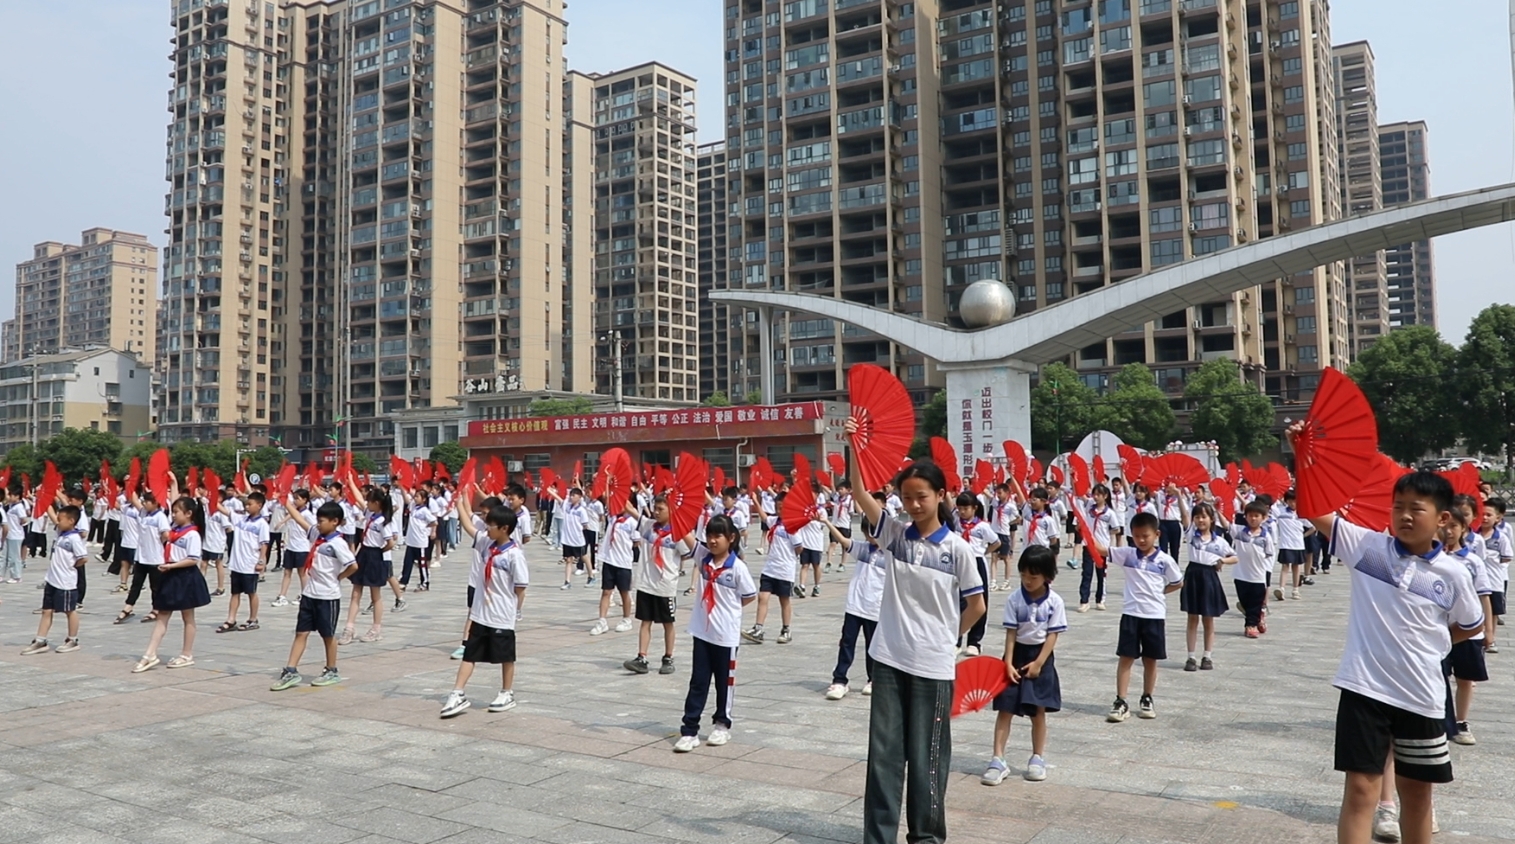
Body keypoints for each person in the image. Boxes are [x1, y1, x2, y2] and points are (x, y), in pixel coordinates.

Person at [1286, 455, 1482, 844]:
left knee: (1417, 795)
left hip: (1422, 695)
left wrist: (1435, 643)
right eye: (1398, 507)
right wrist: (1304, 455)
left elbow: (1471, 624)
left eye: (1416, 509)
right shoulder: (1367, 548)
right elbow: (1312, 509)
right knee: (1361, 790)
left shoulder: (1454, 573)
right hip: (1365, 688)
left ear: (1442, 518)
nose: (1404, 516)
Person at [843, 433, 985, 844]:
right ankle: (879, 837)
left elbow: (976, 606)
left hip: (933, 665)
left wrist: (948, 638)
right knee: (884, 754)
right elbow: (859, 494)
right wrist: (854, 445)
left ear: (940, 495)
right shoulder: (894, 534)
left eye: (922, 496)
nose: (914, 504)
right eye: (907, 497)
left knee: (928, 756)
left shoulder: (958, 550)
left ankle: (926, 836)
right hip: (888, 657)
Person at [981, 545, 1065, 785]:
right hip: (1016, 655)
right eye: (1023, 575)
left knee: (1037, 711)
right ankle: (998, 759)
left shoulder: (1055, 602)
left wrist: (1039, 663)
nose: (1028, 581)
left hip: (1041, 658)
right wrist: (1007, 663)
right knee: (1005, 708)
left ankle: (1037, 757)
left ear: (1047, 576)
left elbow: (1052, 635)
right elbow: (1011, 633)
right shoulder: (1015, 599)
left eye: (1033, 576)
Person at [674, 514, 757, 752]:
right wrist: (675, 509)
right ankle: (690, 730)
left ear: (731, 538)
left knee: (724, 683)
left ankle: (722, 724)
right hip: (702, 633)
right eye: (709, 535)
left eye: (718, 535)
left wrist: (729, 611)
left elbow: (749, 596)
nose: (712, 540)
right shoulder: (703, 558)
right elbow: (684, 532)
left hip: (726, 636)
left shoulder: (738, 568)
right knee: (698, 682)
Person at [440, 506, 529, 718]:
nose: (487, 528)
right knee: (470, 653)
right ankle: (457, 693)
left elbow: (520, 587)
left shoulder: (514, 555)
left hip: (502, 614)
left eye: (491, 525)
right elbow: (469, 527)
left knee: (506, 656)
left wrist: (515, 611)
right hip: (481, 613)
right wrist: (461, 502)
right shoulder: (486, 544)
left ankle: (506, 692)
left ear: (504, 528)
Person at [1105, 511, 1183, 723]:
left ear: (1156, 534)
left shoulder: (1165, 560)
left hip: (1154, 615)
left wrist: (1159, 592)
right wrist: (1084, 529)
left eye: (1145, 536)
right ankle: (1121, 700)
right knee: (1126, 657)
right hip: (1131, 613)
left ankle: (1147, 697)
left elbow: (1178, 582)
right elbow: (1102, 550)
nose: (1141, 540)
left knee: (1150, 659)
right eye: (1137, 536)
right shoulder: (1127, 554)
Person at [272, 500, 358, 690]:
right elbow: (299, 519)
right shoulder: (317, 535)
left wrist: (338, 577)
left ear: (335, 521)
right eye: (317, 521)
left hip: (328, 596)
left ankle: (331, 670)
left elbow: (353, 565)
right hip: (309, 593)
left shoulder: (338, 543)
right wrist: (285, 501)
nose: (318, 524)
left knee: (327, 635)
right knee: (301, 632)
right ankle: (291, 670)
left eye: (322, 521)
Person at [133, 496, 211, 672]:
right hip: (170, 575)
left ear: (188, 513)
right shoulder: (174, 531)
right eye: (173, 511)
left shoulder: (192, 534)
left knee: (188, 616)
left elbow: (193, 559)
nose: (173, 515)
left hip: (185, 576)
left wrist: (172, 566)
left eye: (176, 512)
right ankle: (150, 654)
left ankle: (186, 654)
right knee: (162, 614)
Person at [820, 495, 886, 700]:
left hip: (875, 608)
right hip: (855, 605)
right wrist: (826, 522)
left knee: (872, 646)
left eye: (872, 534)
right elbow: (843, 540)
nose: (869, 538)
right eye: (866, 534)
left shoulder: (892, 555)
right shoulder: (863, 548)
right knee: (847, 643)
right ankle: (840, 680)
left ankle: (874, 679)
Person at [1443, 499, 1492, 746]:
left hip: (1468, 631)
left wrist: (1488, 629)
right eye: (1445, 525)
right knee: (1438, 677)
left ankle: (1461, 721)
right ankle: (1439, 721)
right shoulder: (1430, 558)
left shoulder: (1473, 561)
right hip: (1439, 629)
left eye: (1454, 526)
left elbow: (1484, 595)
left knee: (1465, 679)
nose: (1448, 531)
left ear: (1464, 528)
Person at [624, 497, 685, 675]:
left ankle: (668, 657)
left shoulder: (677, 533)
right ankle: (642, 657)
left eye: (660, 509)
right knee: (645, 621)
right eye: (655, 508)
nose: (656, 512)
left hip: (665, 585)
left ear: (671, 510)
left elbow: (686, 553)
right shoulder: (648, 526)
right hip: (646, 583)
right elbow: (629, 508)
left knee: (668, 623)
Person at [19, 503, 87, 656]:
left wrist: (71, 566)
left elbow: (83, 558)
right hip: (52, 579)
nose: (57, 521)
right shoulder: (60, 533)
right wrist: (45, 500)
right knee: (46, 610)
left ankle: (72, 639)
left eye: (60, 519)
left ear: (71, 521)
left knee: (70, 610)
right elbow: (50, 511)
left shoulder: (74, 538)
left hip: (66, 581)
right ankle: (40, 640)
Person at [1180, 501, 1236, 671]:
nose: (1200, 520)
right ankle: (1191, 657)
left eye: (1204, 516)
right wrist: (1178, 495)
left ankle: (1207, 656)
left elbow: (1234, 557)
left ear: (1211, 519)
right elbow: (1184, 515)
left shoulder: (1219, 541)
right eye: (1197, 517)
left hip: (1209, 577)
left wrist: (1222, 560)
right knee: (1192, 618)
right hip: (1193, 575)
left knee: (1208, 619)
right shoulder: (1191, 535)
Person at [340, 487, 393, 644]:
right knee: (356, 592)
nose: (366, 503)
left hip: (375, 555)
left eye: (369, 501)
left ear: (376, 503)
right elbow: (358, 499)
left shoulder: (384, 522)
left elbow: (390, 542)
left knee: (375, 595)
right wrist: (350, 481)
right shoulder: (370, 515)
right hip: (363, 553)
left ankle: (376, 629)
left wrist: (379, 552)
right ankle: (349, 628)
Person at [743, 499, 800, 645]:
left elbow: (799, 547)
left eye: (781, 508)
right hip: (770, 568)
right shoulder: (774, 521)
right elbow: (764, 517)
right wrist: (756, 501)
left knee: (784, 600)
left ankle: (786, 629)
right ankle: (758, 628)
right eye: (777, 507)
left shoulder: (792, 526)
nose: (779, 510)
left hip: (785, 570)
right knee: (763, 597)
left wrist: (789, 557)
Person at [215, 491, 270, 633]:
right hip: (236, 564)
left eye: (250, 504)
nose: (247, 507)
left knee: (251, 592)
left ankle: (253, 619)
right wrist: (210, 497)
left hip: (250, 564)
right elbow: (223, 510)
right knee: (235, 593)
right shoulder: (240, 519)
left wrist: (261, 561)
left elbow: (264, 544)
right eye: (246, 504)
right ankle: (231, 619)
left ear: (259, 505)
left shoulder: (262, 524)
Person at [955, 492, 1000, 656]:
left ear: (974, 508)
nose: (962, 512)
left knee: (979, 600)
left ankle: (974, 642)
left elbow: (996, 542)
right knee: (958, 601)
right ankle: (956, 639)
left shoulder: (982, 526)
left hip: (976, 561)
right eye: (959, 508)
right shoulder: (956, 523)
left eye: (965, 508)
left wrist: (983, 552)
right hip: (959, 563)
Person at [590, 495, 637, 636]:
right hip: (609, 560)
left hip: (623, 563)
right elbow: (607, 497)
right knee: (606, 592)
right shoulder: (613, 518)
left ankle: (626, 619)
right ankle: (602, 621)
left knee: (624, 592)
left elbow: (636, 542)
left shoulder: (632, 522)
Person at [124, 491, 171, 625]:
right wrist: (133, 484)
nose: (144, 504)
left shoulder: (160, 516)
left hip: (155, 557)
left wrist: (158, 543)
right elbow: (134, 500)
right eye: (143, 501)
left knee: (155, 586)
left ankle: (156, 609)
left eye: (147, 501)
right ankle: (128, 606)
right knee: (136, 583)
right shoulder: (143, 513)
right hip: (141, 556)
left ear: (155, 503)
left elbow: (166, 535)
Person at [1231, 500, 1276, 638]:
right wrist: (1219, 510)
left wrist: (1267, 572)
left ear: (1264, 518)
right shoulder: (1239, 532)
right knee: (1244, 601)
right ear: (1245, 516)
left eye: (1257, 516)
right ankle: (1258, 617)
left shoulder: (1266, 536)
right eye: (1250, 515)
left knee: (1255, 601)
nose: (1253, 518)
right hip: (1240, 574)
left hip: (1258, 575)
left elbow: (1270, 554)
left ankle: (1250, 625)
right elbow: (1226, 524)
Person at [1073, 483, 1119, 613]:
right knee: (1086, 573)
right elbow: (1079, 493)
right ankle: (1084, 601)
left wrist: (1106, 535)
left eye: (1099, 495)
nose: (1096, 497)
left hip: (1102, 547)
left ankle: (1100, 600)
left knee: (1101, 574)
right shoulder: (1089, 506)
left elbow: (1116, 529)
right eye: (1094, 494)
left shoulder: (1109, 513)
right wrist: (1074, 478)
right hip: (1088, 545)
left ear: (1105, 496)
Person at [1477, 497, 1510, 651]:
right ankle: (1479, 636)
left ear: (1497, 518)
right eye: (1482, 514)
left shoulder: (1501, 538)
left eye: (1488, 515)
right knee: (1478, 608)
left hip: (1494, 580)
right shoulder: (1474, 536)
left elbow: (1507, 557)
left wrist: (1491, 560)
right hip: (1477, 581)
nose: (1484, 518)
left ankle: (1491, 638)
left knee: (1494, 611)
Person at [271, 489, 312, 607]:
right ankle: (282, 596)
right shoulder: (294, 512)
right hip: (290, 546)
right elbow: (291, 514)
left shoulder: (307, 514)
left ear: (305, 500)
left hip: (302, 547)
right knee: (287, 572)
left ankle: (305, 595)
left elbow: (314, 528)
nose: (295, 501)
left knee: (302, 573)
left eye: (297, 499)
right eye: (294, 498)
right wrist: (281, 522)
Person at [1271, 489, 1310, 601]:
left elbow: (1313, 527)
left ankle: (1295, 589)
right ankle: (1281, 588)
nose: (1293, 503)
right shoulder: (1280, 512)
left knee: (1296, 567)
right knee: (1285, 566)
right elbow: (1271, 508)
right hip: (1285, 544)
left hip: (1298, 544)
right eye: (1290, 501)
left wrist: (1303, 536)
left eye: (1295, 501)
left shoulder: (1302, 513)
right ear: (1286, 501)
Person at [554, 487, 594, 588]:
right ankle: (567, 582)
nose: (571, 497)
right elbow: (559, 500)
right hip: (567, 539)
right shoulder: (567, 506)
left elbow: (585, 525)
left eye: (574, 495)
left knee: (584, 557)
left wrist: (578, 530)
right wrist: (550, 491)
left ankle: (591, 576)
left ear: (579, 497)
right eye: (570, 495)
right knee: (568, 560)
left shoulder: (581, 510)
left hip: (577, 539)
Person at [401, 487, 438, 592]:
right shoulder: (413, 506)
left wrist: (425, 527)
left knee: (422, 563)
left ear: (424, 499)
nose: (415, 498)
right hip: (410, 541)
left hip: (420, 541)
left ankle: (424, 582)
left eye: (418, 497)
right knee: (407, 563)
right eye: (415, 496)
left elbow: (435, 522)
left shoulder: (425, 511)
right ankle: (403, 582)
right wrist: (402, 486)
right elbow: (408, 497)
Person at [201, 484, 230, 598]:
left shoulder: (221, 513)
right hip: (207, 541)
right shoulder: (207, 509)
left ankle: (221, 587)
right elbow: (201, 498)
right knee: (203, 563)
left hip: (217, 542)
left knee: (218, 563)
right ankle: (199, 587)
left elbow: (228, 528)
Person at [825, 480, 854, 573]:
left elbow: (851, 513)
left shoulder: (850, 500)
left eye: (842, 489)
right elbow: (829, 489)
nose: (840, 491)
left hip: (845, 525)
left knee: (845, 545)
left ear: (847, 490)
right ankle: (829, 562)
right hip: (835, 524)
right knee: (832, 543)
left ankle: (842, 564)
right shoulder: (836, 497)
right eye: (839, 489)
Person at [2, 485, 27, 583]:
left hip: (16, 535)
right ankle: (10, 574)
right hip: (10, 534)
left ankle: (16, 576)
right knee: (9, 556)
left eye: (11, 495)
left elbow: (24, 519)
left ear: (17, 496)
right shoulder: (11, 506)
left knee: (14, 556)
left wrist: (18, 524)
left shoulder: (19, 507)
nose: (9, 497)